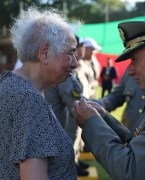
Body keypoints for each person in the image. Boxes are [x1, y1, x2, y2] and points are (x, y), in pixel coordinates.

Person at [71, 21, 145, 179]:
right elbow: (139, 143)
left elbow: (131, 170)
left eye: (135, 60)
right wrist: (104, 119)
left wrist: (92, 123)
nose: (130, 71)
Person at [0, 6, 80, 180]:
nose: (75, 63)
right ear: (44, 53)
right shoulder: (29, 99)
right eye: (70, 53)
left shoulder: (7, 86)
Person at [44, 36, 89, 176]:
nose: (74, 61)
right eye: (71, 53)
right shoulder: (63, 72)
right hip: (56, 136)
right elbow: (75, 102)